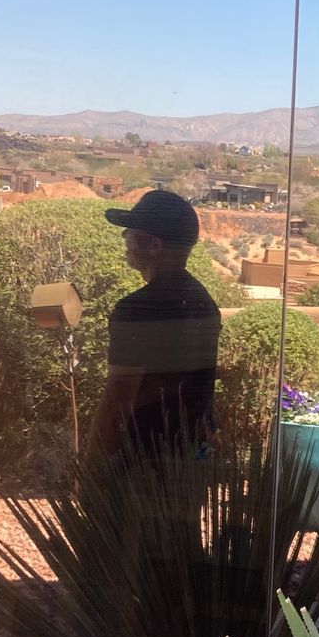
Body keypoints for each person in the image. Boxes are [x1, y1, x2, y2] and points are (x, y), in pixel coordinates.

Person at [84, 190, 222, 462]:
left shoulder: (138, 309)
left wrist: (90, 468)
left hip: (142, 462)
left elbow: (118, 402)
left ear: (154, 245)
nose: (126, 242)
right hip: (188, 459)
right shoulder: (203, 302)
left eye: (130, 234)